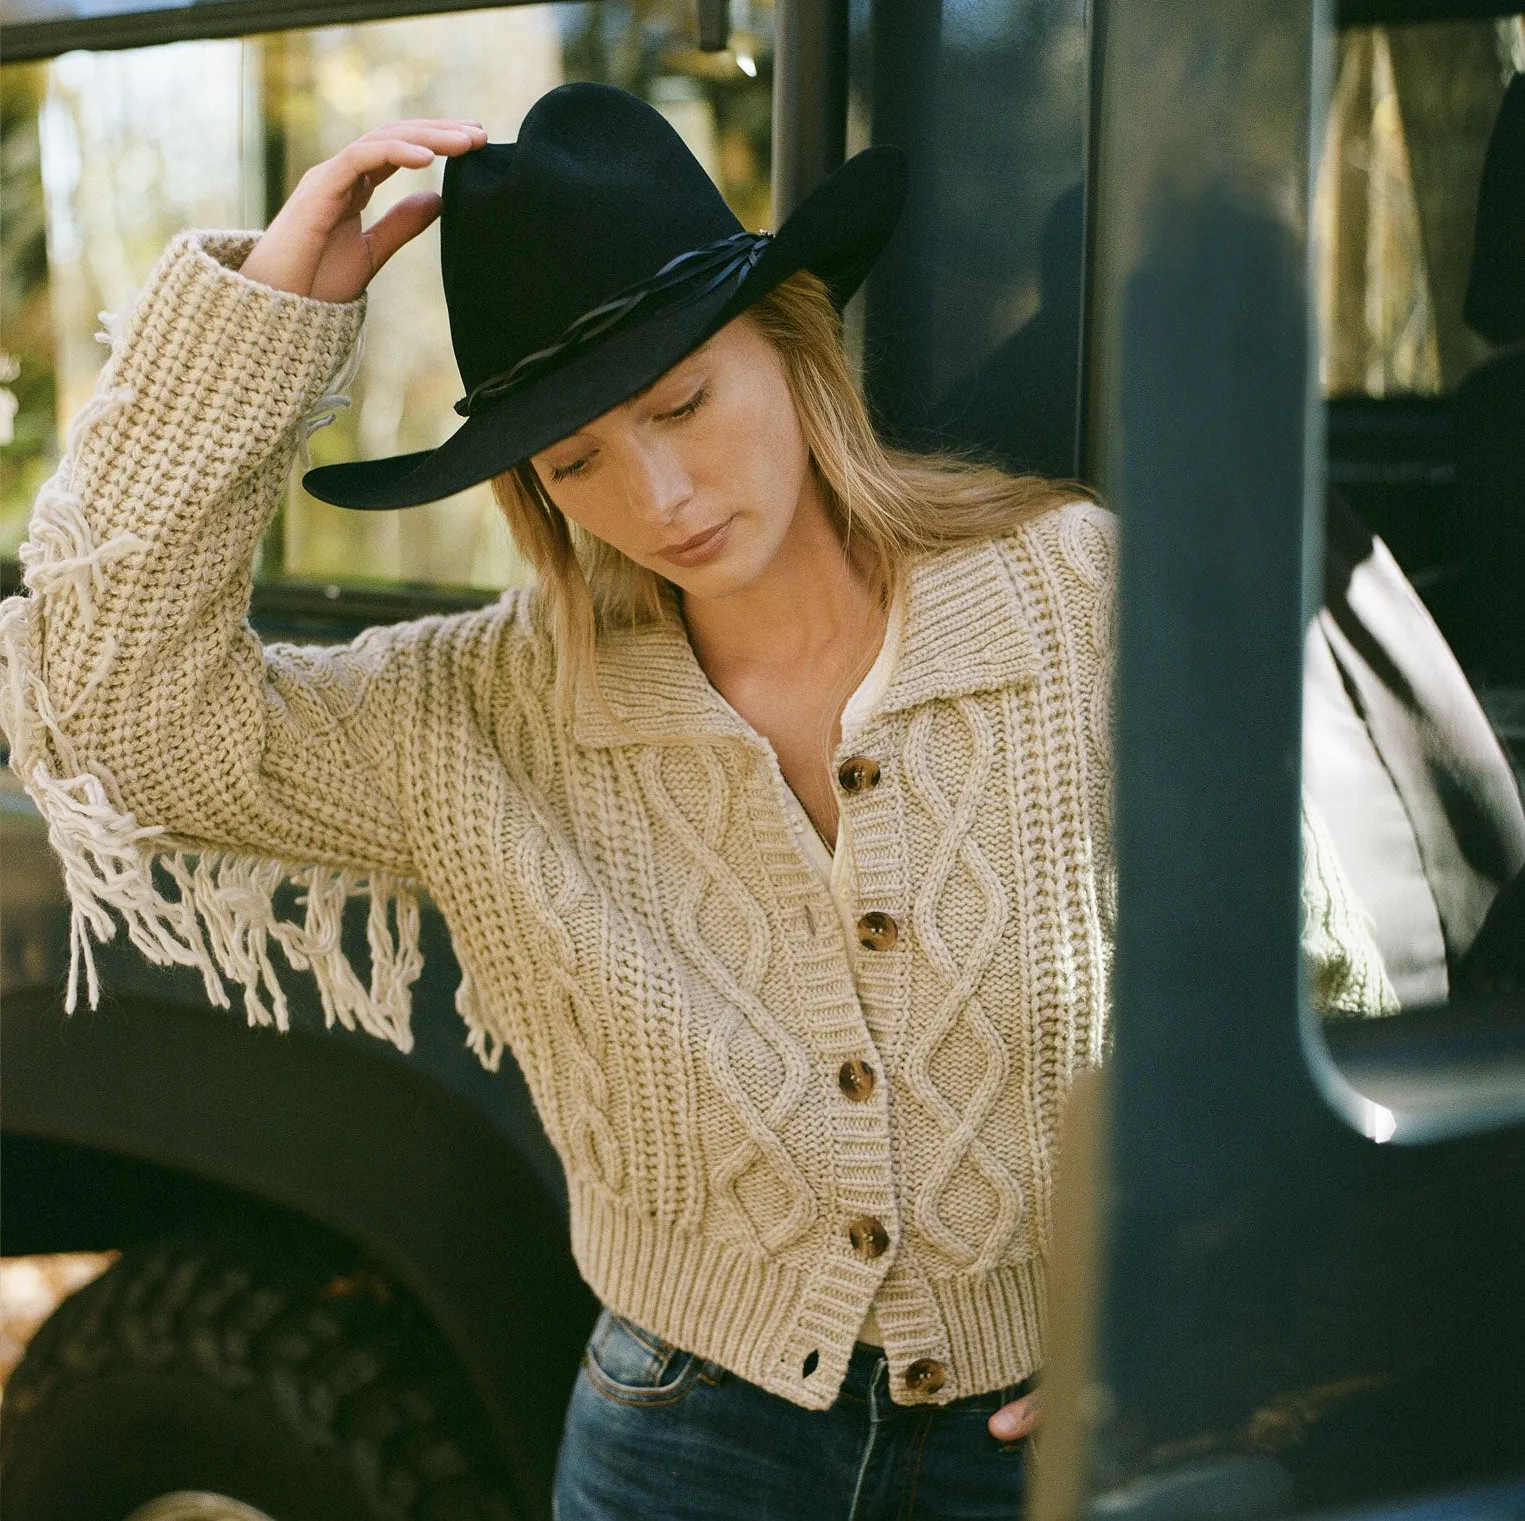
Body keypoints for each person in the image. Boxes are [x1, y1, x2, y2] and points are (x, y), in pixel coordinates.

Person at [0, 83, 1389, 1519]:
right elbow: (117, 724)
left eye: (683, 401)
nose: (660, 493)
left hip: (1053, 1442)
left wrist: (1220, 1322)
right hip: (684, 1449)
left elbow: (1306, 983)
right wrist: (258, 332)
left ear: (792, 345)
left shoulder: (1074, 597)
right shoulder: (486, 711)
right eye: (577, 458)